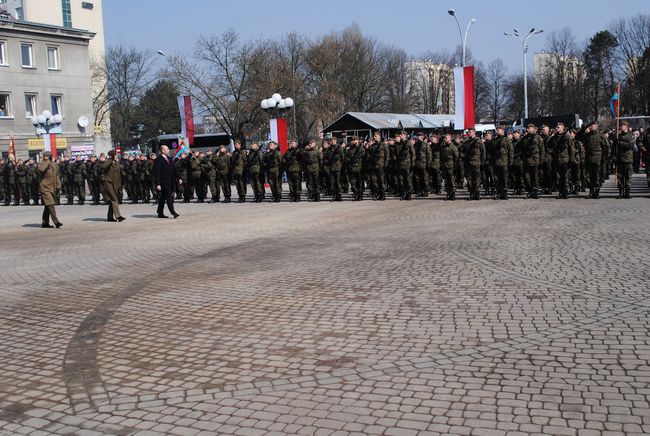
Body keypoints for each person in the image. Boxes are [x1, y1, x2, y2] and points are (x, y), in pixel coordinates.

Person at [154, 145, 181, 218]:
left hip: (170, 181)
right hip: (163, 182)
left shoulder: (170, 158)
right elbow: (157, 172)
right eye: (167, 149)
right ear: (163, 150)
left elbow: (174, 169)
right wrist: (158, 184)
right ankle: (173, 212)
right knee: (169, 197)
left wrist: (179, 178)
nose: (169, 150)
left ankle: (160, 213)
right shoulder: (158, 160)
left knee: (162, 197)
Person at [37, 151, 63, 228]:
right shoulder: (41, 164)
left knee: (47, 206)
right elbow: (41, 170)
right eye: (45, 156)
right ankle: (56, 222)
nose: (46, 157)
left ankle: (45, 223)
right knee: (50, 204)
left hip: (52, 187)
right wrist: (46, 161)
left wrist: (58, 186)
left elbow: (57, 175)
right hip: (44, 187)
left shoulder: (54, 164)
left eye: (48, 156)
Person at [100, 150, 126, 222]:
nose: (117, 155)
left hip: (115, 183)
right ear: (113, 155)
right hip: (108, 183)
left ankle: (110, 217)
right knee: (114, 199)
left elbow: (121, 168)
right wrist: (110, 159)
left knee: (113, 200)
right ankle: (118, 216)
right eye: (116, 154)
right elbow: (103, 167)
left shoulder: (116, 162)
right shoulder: (109, 161)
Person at [616, 120, 634, 199]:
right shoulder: (619, 136)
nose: (621, 127)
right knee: (620, 177)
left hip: (627, 160)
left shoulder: (630, 136)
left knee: (628, 177)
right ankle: (621, 192)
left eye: (622, 125)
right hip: (620, 159)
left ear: (626, 127)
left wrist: (620, 143)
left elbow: (630, 145)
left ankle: (627, 192)